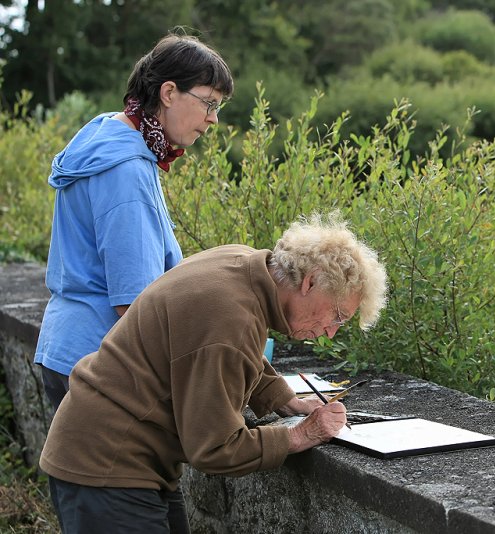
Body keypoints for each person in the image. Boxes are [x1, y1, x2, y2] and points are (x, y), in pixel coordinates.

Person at [39, 214, 388, 534]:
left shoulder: (243, 265)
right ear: (309, 283)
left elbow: (231, 354)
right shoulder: (231, 319)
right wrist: (301, 436)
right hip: (107, 463)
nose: (330, 332)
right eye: (338, 316)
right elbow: (216, 448)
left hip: (126, 455)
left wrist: (285, 400)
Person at [34, 32, 234, 409]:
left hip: (66, 348)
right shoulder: (126, 168)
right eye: (208, 103)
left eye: (218, 107)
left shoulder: (105, 137)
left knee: (67, 470)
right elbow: (135, 301)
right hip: (103, 363)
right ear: (169, 92)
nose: (213, 119)